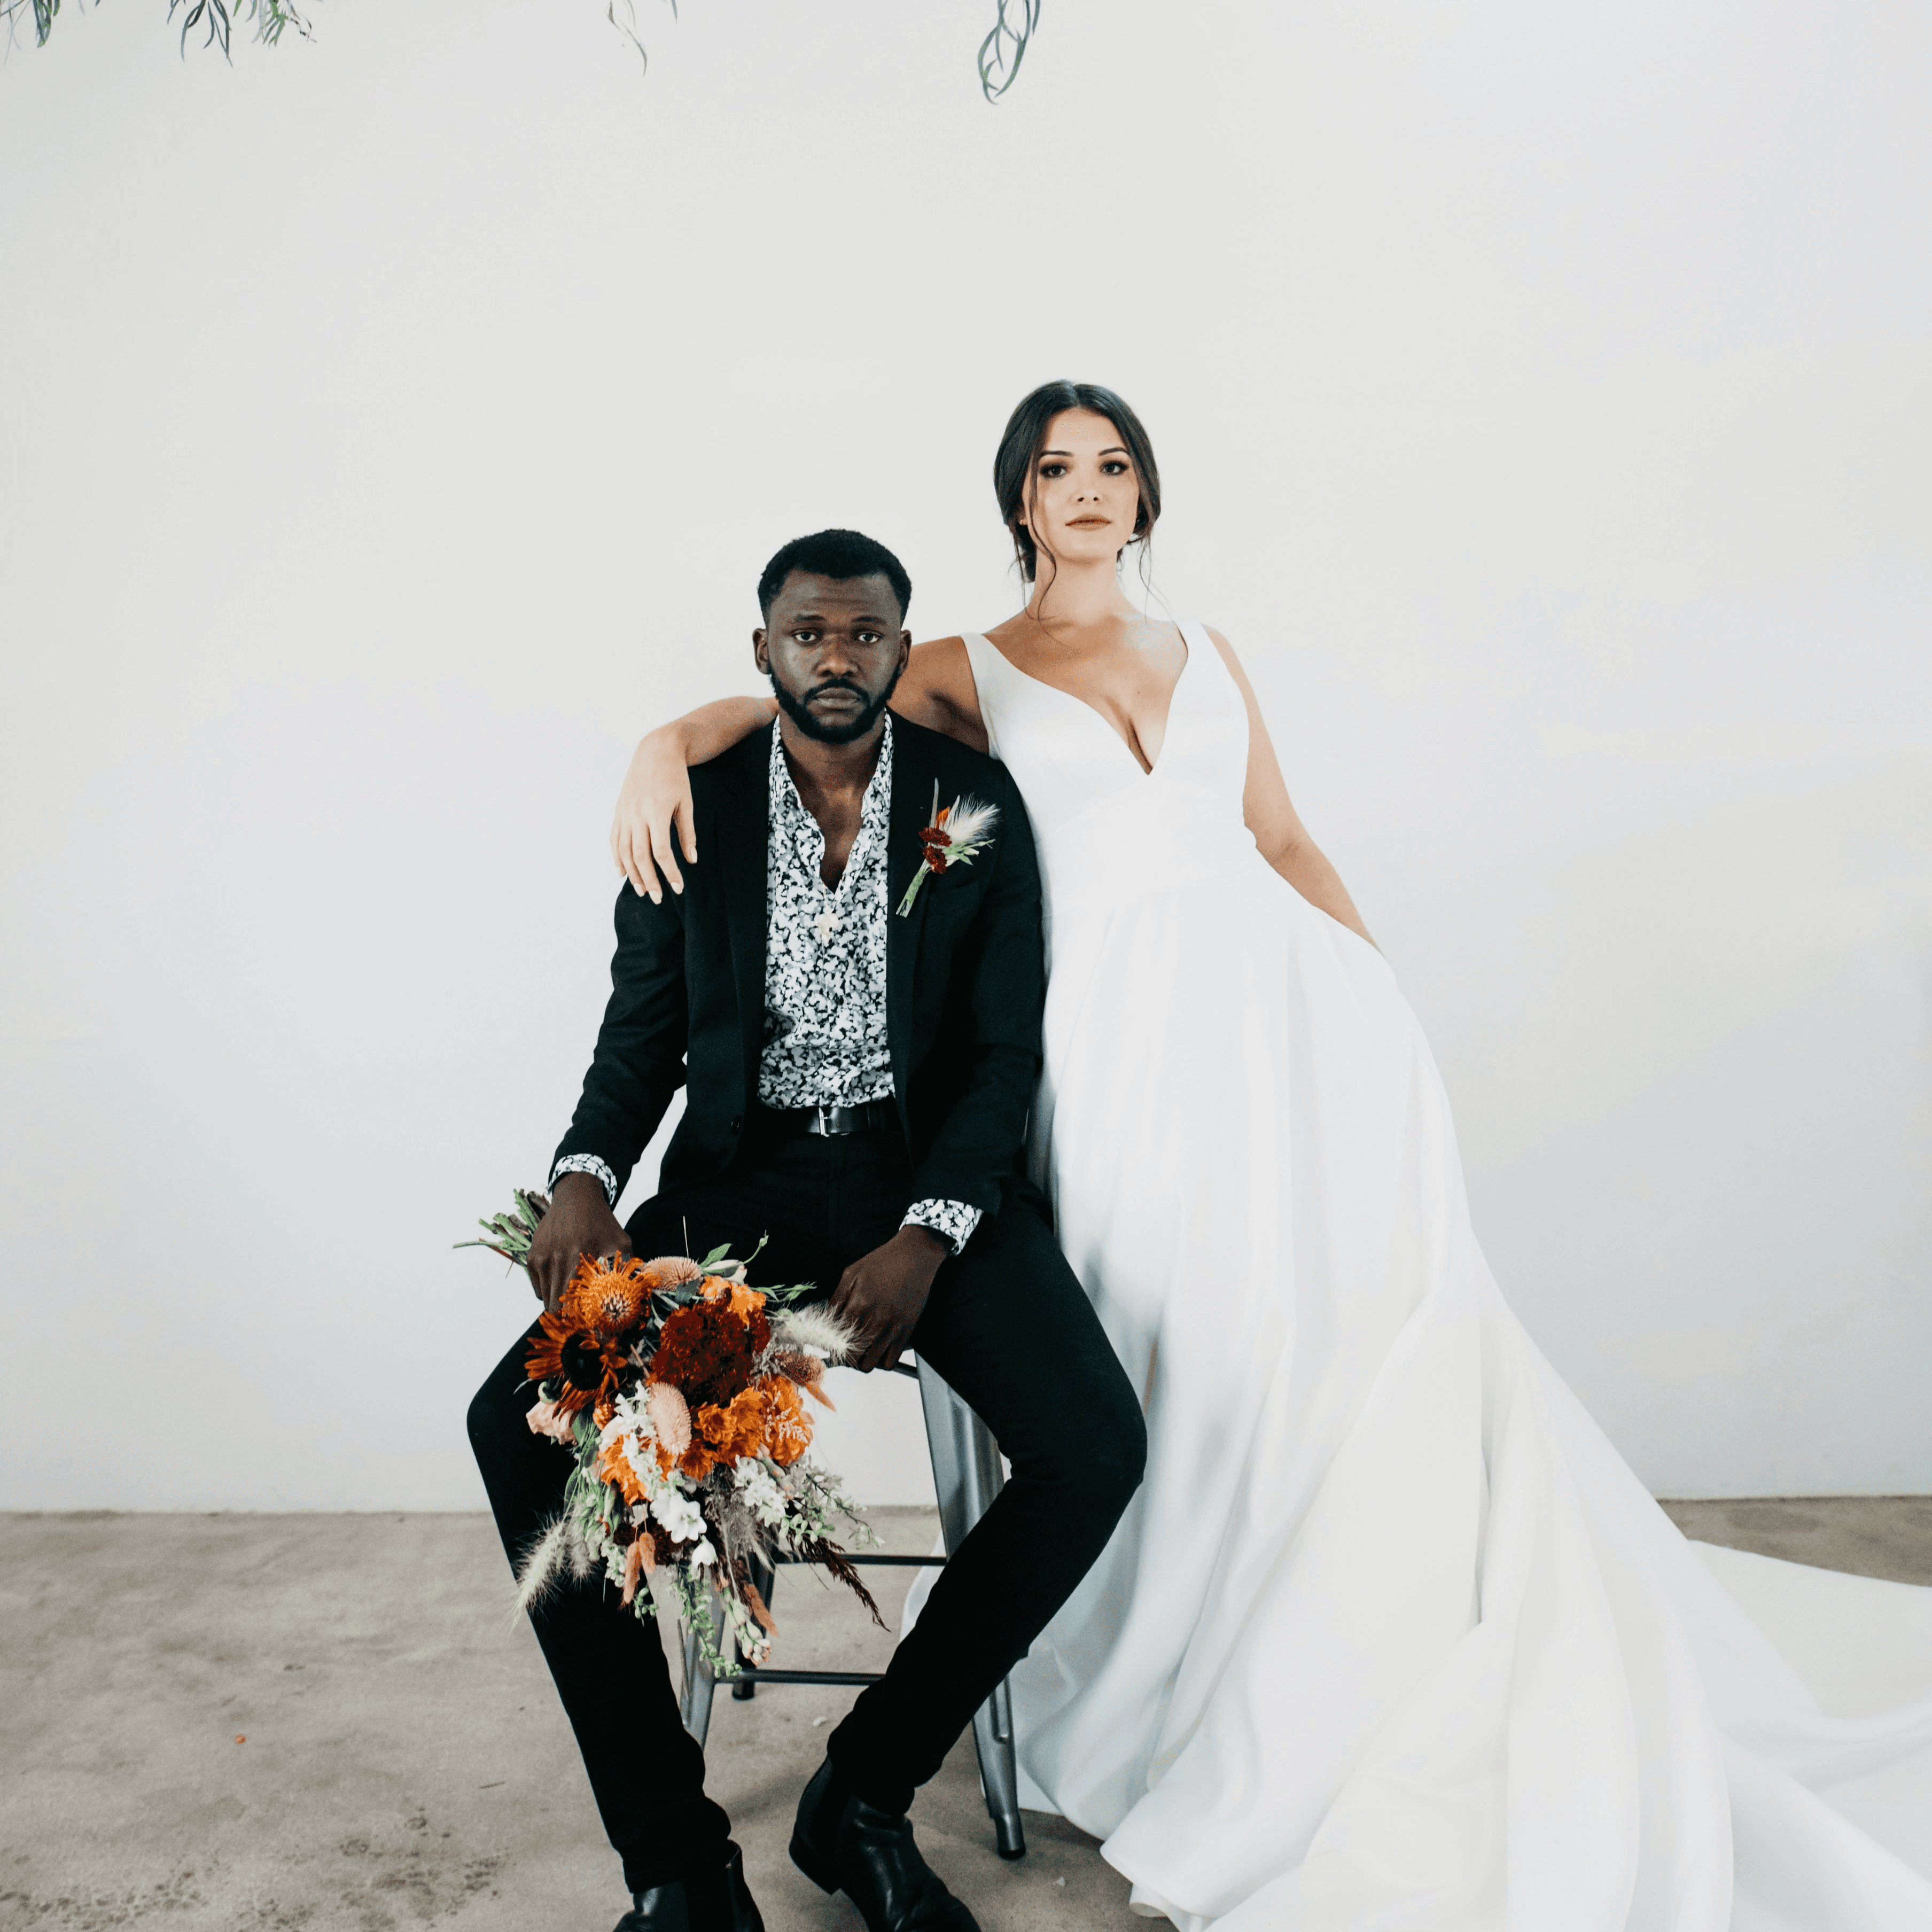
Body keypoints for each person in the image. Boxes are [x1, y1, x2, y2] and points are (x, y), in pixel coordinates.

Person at [608, 383, 1932, 1928]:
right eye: (1056, 469)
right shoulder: (968, 663)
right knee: (1174, 1353)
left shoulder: (1210, 654)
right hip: (1112, 1051)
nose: (1087, 490)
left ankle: (1324, 1641)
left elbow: (1284, 840)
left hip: (1289, 1028)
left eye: (1113, 466)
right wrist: (661, 738)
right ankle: (1158, 1652)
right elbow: (796, 704)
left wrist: (1384, 1000)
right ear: (1019, 503)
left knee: (1330, 1337)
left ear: (1146, 495)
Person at [468, 526, 1147, 1932]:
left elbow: (997, 1060)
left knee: (1096, 1445)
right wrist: (588, 1170)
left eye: (866, 636)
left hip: (925, 1190)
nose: (837, 657)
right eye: (808, 634)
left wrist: (932, 1229)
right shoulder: (698, 809)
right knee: (514, 1424)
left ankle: (864, 1795)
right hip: (737, 1194)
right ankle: (679, 1864)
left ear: (903, 652)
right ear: (762, 650)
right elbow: (638, 1036)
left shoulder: (974, 806)